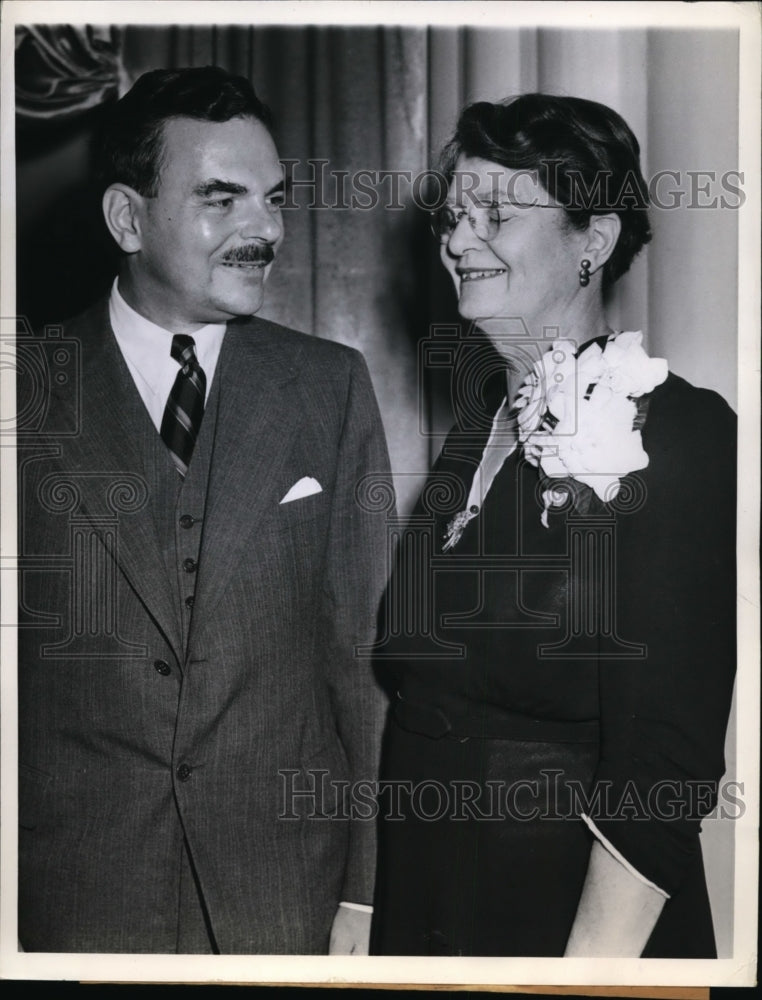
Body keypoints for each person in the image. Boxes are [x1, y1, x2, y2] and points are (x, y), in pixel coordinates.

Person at [17, 66, 392, 954]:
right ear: (127, 218)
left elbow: (365, 663)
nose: (263, 229)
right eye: (221, 199)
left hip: (286, 903)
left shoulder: (329, 388)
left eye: (272, 200)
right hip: (69, 904)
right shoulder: (24, 391)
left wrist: (367, 895)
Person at [370, 94, 736, 958]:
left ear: (594, 242)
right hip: (429, 913)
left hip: (573, 934)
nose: (459, 242)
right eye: (454, 218)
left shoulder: (677, 433)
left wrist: (585, 977)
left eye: (495, 213)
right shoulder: (476, 429)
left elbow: (665, 769)